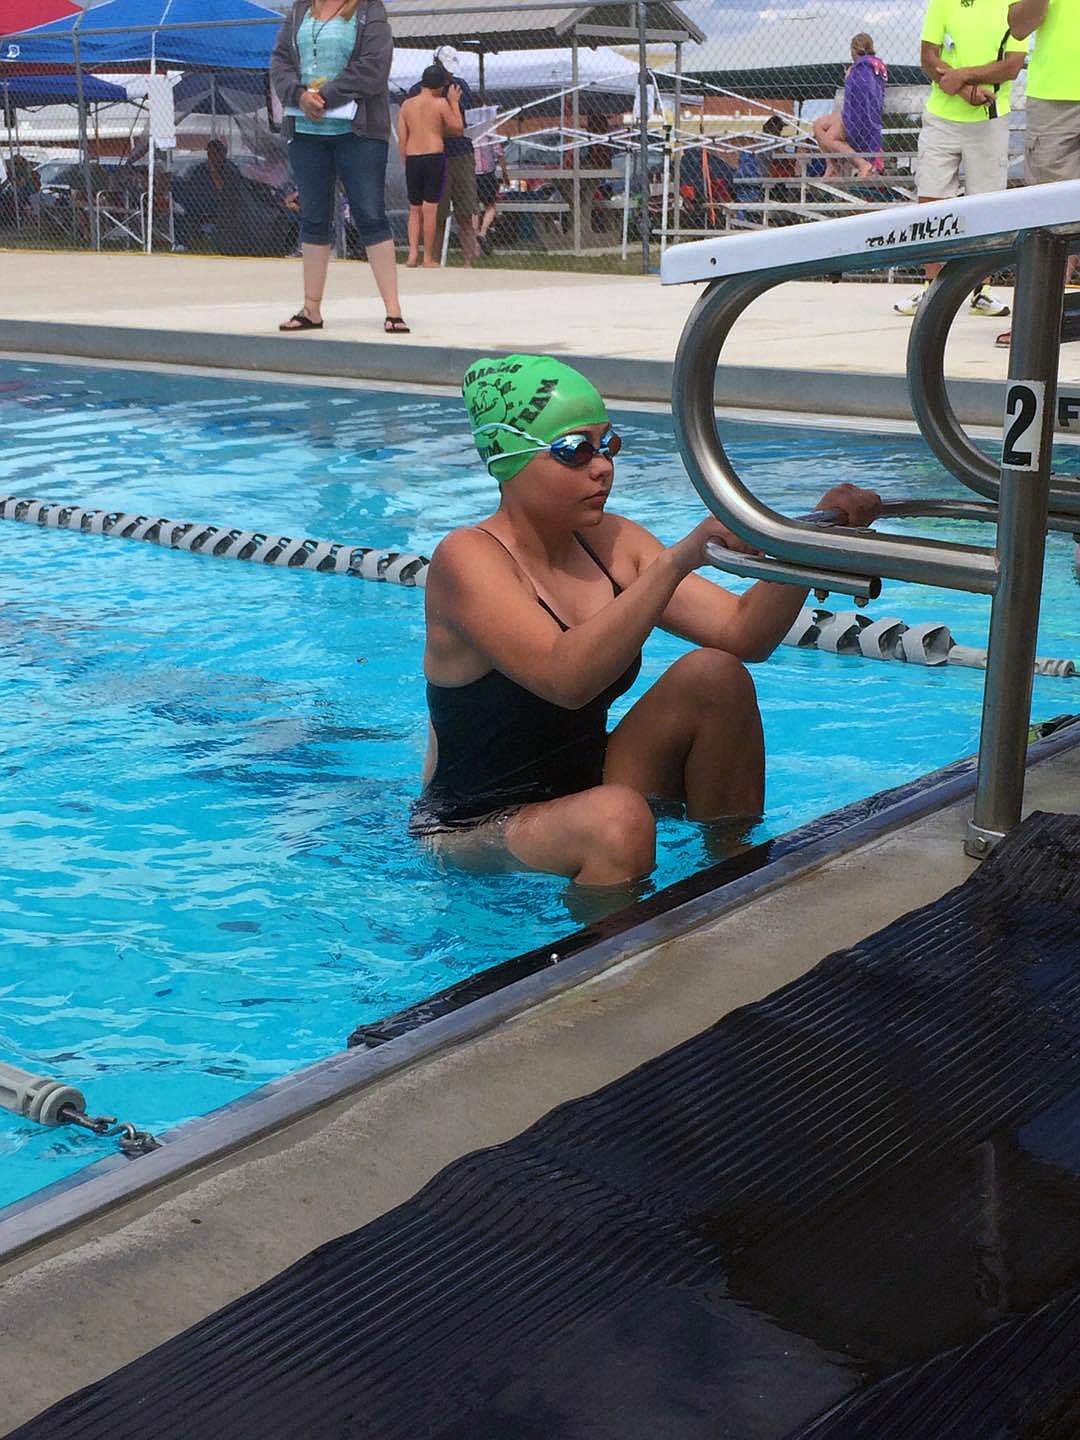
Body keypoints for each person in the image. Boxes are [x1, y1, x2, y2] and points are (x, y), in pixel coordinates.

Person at [410, 355, 882, 892]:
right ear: (508, 459)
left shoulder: (611, 540)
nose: (602, 466)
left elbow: (744, 633)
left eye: (607, 444)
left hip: (590, 784)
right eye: (573, 450)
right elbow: (564, 679)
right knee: (616, 821)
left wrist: (811, 543)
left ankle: (734, 878)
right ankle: (616, 965)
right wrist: (679, 559)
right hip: (474, 824)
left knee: (714, 675)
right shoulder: (467, 557)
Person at [270, 0, 408, 335]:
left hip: (358, 132)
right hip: (305, 133)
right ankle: (311, 309)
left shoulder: (369, 10)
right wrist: (299, 96)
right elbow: (280, 61)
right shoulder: (301, 9)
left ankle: (393, 310)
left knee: (370, 214)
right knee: (313, 217)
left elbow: (375, 67)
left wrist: (327, 96)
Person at [893, 0, 1027, 318]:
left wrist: (963, 77)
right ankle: (931, 288)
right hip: (941, 116)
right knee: (931, 200)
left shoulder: (1016, 5)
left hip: (990, 118)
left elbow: (1012, 65)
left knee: (986, 205)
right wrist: (962, 89)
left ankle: (981, 291)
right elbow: (928, 57)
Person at [995, 0, 1079, 346]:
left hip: (1054, 97)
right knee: (1047, 217)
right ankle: (1036, 321)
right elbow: (1019, 25)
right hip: (1054, 94)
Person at [406, 47, 479, 267]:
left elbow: (462, 124)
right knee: (435, 212)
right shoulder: (418, 91)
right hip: (435, 156)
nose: (448, 76)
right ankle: (432, 259)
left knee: (467, 211)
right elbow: (443, 126)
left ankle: (468, 262)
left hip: (462, 153)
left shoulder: (460, 87)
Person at [398, 64, 464, 267]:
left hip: (413, 157)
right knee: (430, 208)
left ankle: (411, 255)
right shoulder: (440, 103)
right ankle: (427, 257)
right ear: (440, 86)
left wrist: (405, 159)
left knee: (414, 208)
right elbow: (457, 128)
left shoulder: (407, 105)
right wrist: (454, 103)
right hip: (434, 156)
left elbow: (402, 137)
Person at [813, 34, 888, 178]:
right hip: (852, 112)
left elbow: (860, 94)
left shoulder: (861, 67)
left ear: (853, 50)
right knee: (818, 125)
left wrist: (849, 77)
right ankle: (832, 167)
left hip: (857, 116)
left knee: (829, 139)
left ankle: (863, 164)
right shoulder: (872, 65)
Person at [472, 107, 509, 255]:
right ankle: (483, 232)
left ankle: (475, 246)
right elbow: (498, 152)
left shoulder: (471, 131)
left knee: (474, 209)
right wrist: (505, 173)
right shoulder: (490, 130)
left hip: (472, 172)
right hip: (487, 173)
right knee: (491, 206)